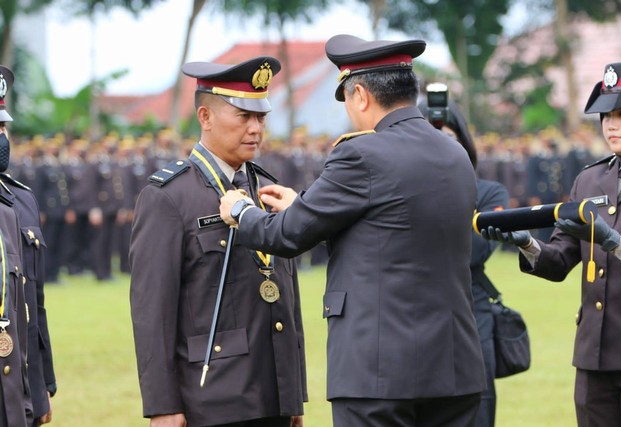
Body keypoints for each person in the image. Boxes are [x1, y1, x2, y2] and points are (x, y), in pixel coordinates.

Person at [220, 34, 486, 427]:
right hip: (453, 367)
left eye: (347, 101)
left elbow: (286, 236)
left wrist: (242, 211)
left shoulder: (361, 152)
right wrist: (304, 206)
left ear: (360, 94)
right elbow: (393, 228)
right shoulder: (454, 153)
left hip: (378, 372)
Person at [129, 56, 307, 427]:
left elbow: (287, 295)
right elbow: (153, 310)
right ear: (205, 118)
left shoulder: (268, 188)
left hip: (272, 393)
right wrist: (162, 405)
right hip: (212, 399)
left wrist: (293, 395)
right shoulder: (169, 196)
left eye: (261, 117)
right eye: (243, 117)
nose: (256, 128)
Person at [481, 61, 621, 427]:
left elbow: (616, 246)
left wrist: (616, 243)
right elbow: (561, 259)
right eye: (605, 116)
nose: (611, 124)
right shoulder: (589, 180)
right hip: (594, 354)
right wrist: (528, 245)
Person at [418, 98, 509, 427]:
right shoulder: (398, 189)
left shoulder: (487, 192)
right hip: (415, 322)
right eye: (429, 136)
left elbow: (473, 251)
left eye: (448, 136)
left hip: (471, 318)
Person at [0, 65, 34, 426]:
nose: (3, 138)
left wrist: (30, 397)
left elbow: (26, 316)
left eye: (3, 128)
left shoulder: (9, 208)